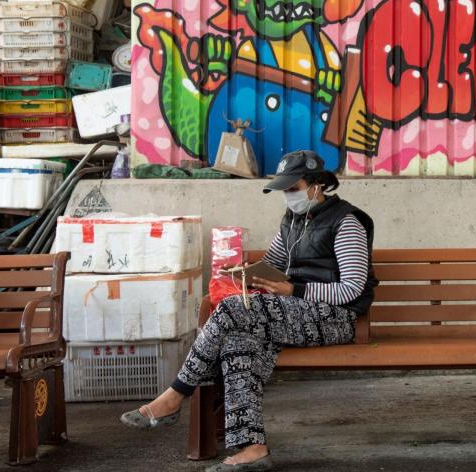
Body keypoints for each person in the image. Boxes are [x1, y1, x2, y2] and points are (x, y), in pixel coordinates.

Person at [120, 150, 377, 471]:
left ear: (316, 184)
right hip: (291, 313)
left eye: (293, 188)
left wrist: (293, 289)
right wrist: (248, 274)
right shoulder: (294, 220)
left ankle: (175, 395)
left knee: (229, 311)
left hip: (336, 318)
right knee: (236, 344)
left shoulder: (346, 222)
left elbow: (352, 289)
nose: (288, 196)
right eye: (284, 190)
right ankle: (253, 448)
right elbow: (272, 264)